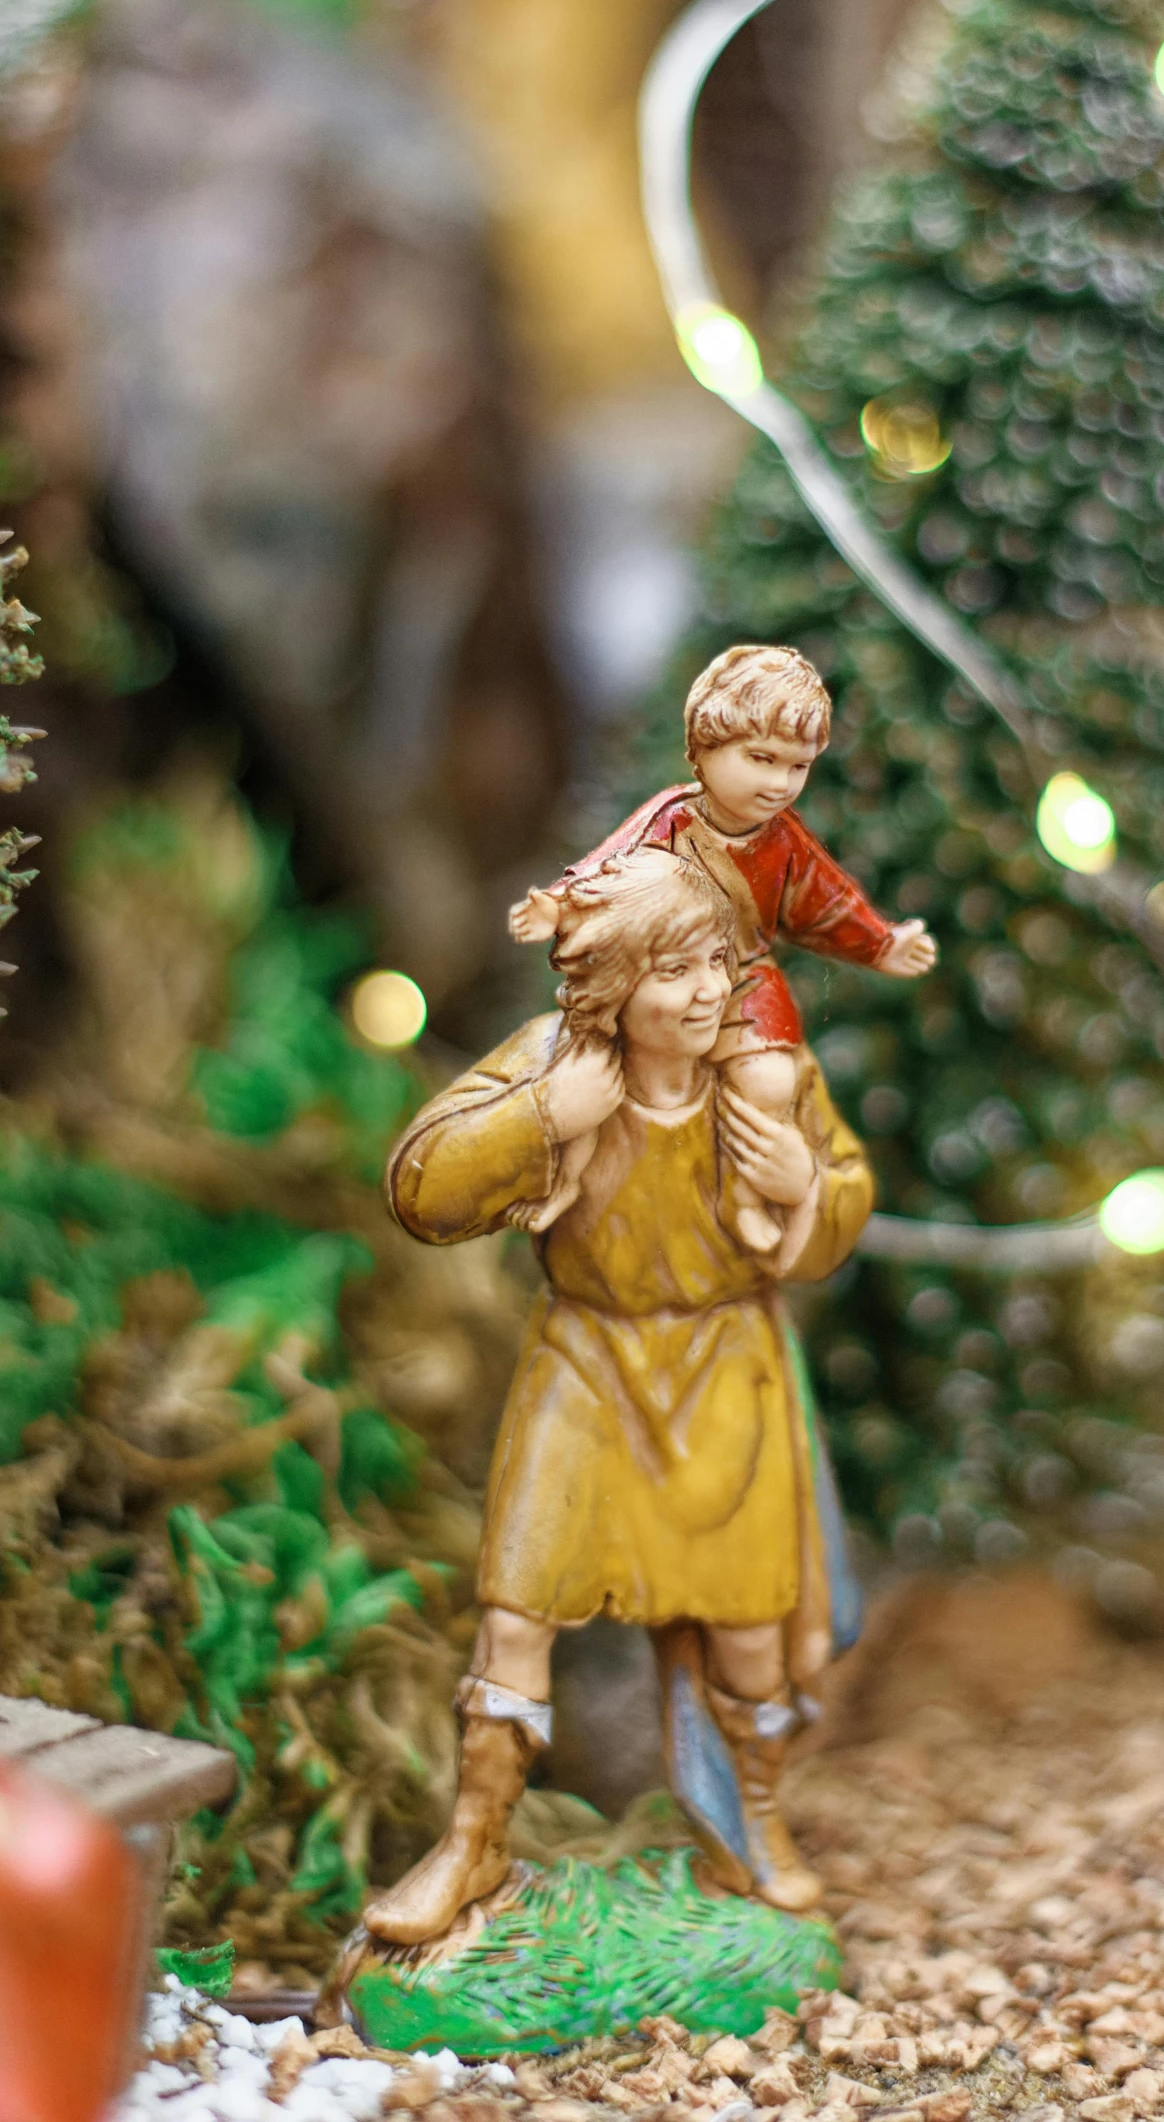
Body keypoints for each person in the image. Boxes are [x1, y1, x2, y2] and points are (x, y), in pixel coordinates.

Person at [364, 847, 871, 1948]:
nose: (704, 993)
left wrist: (807, 1189)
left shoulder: (765, 1073)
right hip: (587, 1368)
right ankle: (474, 1837)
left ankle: (758, 1823)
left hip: (724, 1374)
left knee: (747, 1636)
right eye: (673, 970)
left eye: (717, 966)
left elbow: (845, 1192)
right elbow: (420, 1181)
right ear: (615, 984)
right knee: (515, 1613)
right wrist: (542, 1112)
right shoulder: (557, 1062)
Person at [508, 644, 935, 1251]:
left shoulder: (785, 844)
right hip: (650, 972)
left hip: (743, 977)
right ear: (704, 748)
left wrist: (881, 944)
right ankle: (567, 1180)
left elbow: (828, 900)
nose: (778, 783)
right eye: (761, 758)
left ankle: (742, 1195)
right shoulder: (670, 822)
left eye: (797, 767)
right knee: (587, 1081)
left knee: (767, 1081)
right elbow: (603, 872)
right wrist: (557, 905)